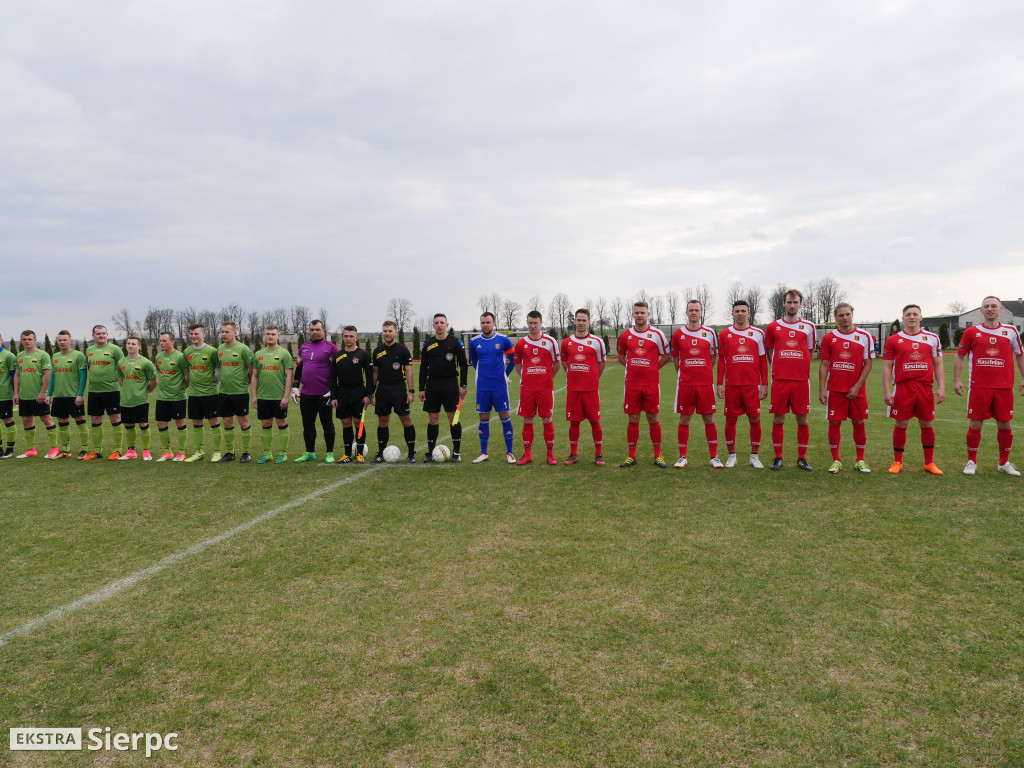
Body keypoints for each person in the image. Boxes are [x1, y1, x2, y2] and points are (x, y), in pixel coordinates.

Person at [953, 295, 1024, 476]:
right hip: (979, 386)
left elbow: (1019, 355)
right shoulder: (971, 332)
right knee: (976, 423)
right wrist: (957, 380)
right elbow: (960, 356)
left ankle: (1004, 463)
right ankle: (971, 461)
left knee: (1005, 424)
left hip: (1004, 386)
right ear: (981, 310)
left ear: (1000, 309)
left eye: (994, 306)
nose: (990, 309)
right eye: (986, 306)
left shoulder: (1011, 331)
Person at [882, 304, 945, 474]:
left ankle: (929, 463)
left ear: (921, 317)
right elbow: (887, 367)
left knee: (927, 423)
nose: (911, 317)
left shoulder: (932, 338)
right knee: (901, 423)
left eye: (915, 314)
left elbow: (938, 364)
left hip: (925, 388)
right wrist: (887, 391)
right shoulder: (893, 340)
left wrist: (942, 387)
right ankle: (897, 462)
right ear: (903, 318)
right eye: (908, 314)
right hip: (902, 387)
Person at [818, 303, 874, 473]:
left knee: (859, 422)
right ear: (835, 317)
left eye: (847, 314)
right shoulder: (829, 338)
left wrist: (857, 386)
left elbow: (868, 363)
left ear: (852, 314)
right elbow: (824, 365)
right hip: (835, 389)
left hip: (857, 390)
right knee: (834, 423)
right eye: (841, 315)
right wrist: (822, 389)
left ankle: (860, 460)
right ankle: (836, 460)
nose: (844, 318)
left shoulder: (865, 336)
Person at [764, 289, 815, 471]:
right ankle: (778, 457)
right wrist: (777, 368)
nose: (792, 305)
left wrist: (801, 367)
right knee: (778, 419)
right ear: (784, 304)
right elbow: (769, 350)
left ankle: (802, 458)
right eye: (789, 302)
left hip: (801, 380)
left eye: (795, 302)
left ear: (801, 304)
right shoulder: (772, 327)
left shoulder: (809, 326)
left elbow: (810, 351)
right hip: (780, 380)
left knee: (802, 419)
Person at [617, 301, 671, 468]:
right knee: (633, 418)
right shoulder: (626, 336)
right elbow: (620, 357)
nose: (639, 315)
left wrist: (653, 368)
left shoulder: (657, 334)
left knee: (653, 418)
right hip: (632, 384)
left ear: (648, 315)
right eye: (637, 313)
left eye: (642, 312)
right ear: (632, 315)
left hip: (651, 384)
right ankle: (631, 456)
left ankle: (658, 455)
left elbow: (666, 355)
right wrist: (633, 369)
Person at [670, 299, 722, 469]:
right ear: (686, 312)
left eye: (696, 310)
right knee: (685, 418)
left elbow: (713, 357)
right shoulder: (678, 334)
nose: (693, 313)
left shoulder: (709, 333)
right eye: (691, 310)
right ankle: (682, 456)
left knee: (708, 418)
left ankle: (714, 456)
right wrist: (685, 373)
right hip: (685, 384)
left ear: (701, 313)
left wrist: (704, 371)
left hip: (705, 384)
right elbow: (676, 359)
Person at [716, 301, 768, 468]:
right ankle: (731, 455)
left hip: (752, 386)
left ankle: (754, 456)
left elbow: (762, 360)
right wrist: (719, 383)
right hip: (732, 386)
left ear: (749, 313)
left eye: (743, 311)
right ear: (732, 314)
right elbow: (722, 360)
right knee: (730, 420)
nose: (740, 313)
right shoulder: (725, 334)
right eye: (737, 311)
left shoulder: (758, 333)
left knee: (755, 419)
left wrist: (764, 384)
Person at [418, 313, 468, 462]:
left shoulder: (455, 342)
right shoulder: (428, 344)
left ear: (447, 325)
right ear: (433, 326)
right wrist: (421, 388)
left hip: (450, 384)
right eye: (436, 323)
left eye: (442, 322)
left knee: (453, 418)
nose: (439, 325)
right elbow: (422, 368)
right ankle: (431, 452)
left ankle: (456, 453)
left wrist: (463, 385)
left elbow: (464, 365)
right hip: (432, 385)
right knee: (433, 419)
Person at [468, 312, 516, 463]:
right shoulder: (474, 341)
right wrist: (482, 375)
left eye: (488, 322)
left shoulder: (503, 340)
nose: (485, 325)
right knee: (483, 418)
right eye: (483, 323)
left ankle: (509, 452)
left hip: (500, 386)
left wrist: (505, 375)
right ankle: (484, 452)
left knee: (505, 417)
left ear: (494, 323)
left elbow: (513, 359)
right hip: (482, 386)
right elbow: (474, 361)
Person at [560, 308, 606, 465]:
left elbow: (601, 364)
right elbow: (564, 363)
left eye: (584, 320)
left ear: (589, 322)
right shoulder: (567, 342)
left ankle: (598, 454)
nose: (581, 323)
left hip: (591, 389)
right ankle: (573, 454)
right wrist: (574, 376)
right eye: (578, 320)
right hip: (573, 389)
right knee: (574, 422)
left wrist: (592, 378)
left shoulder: (597, 342)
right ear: (574, 321)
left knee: (595, 421)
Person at [513, 310, 560, 465]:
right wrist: (527, 378)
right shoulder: (520, 344)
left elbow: (557, 364)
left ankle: (550, 454)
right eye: (530, 323)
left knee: (547, 419)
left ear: (541, 323)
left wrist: (546, 378)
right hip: (527, 389)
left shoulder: (551, 341)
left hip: (545, 389)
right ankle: (527, 454)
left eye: (535, 323)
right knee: (528, 419)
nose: (532, 326)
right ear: (527, 323)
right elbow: (518, 366)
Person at [292, 319, 339, 463]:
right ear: (308, 331)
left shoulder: (331, 348)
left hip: (324, 394)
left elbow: (338, 369)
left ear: (323, 331)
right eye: (312, 330)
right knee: (307, 424)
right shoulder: (304, 347)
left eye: (318, 329)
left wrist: (333, 390)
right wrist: (295, 386)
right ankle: (309, 452)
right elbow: (300, 367)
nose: (315, 332)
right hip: (306, 394)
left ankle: (329, 453)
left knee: (327, 424)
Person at [370, 321, 416, 463]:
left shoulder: (402, 350)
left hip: (398, 388)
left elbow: (409, 372)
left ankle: (411, 454)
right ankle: (380, 453)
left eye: (390, 331)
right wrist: (371, 392)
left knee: (406, 420)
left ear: (395, 332)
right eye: (385, 331)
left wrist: (411, 391)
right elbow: (375, 373)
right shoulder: (377, 351)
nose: (387, 333)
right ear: (382, 332)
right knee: (382, 421)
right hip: (383, 389)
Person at [329, 325, 373, 463]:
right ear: (343, 337)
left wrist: (368, 395)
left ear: (356, 338)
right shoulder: (337, 355)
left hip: (358, 392)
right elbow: (332, 378)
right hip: (342, 392)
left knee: (358, 423)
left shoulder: (363, 355)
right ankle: (347, 454)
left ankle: (360, 454)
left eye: (351, 336)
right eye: (346, 336)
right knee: (345, 423)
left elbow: (370, 377)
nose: (348, 338)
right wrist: (334, 397)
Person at [250, 325, 293, 464]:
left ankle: (283, 453)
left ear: (278, 336)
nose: (270, 336)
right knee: (266, 423)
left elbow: (289, 376)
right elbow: (255, 376)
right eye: (268, 334)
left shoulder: (284, 353)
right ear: (264, 335)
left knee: (281, 422)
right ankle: (267, 453)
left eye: (273, 334)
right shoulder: (258, 354)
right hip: (263, 396)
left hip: (278, 397)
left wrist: (286, 396)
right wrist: (254, 395)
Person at [13, 330, 57, 458]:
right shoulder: (19, 355)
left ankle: (54, 448)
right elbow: (17, 374)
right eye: (24, 339)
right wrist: (16, 393)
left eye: (29, 339)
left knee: (46, 419)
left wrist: (43, 392)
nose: (27, 341)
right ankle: (31, 449)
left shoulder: (42, 355)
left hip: (38, 395)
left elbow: (48, 374)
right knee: (26, 421)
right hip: (24, 395)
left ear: (35, 340)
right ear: (21, 341)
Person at [82, 324, 124, 461]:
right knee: (95, 419)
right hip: (94, 391)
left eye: (104, 333)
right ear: (93, 335)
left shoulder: (115, 349)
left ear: (107, 334)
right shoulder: (89, 350)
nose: (101, 336)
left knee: (115, 418)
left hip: (111, 390)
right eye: (98, 334)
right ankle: (97, 451)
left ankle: (117, 450)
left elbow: (122, 367)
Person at [46, 330, 89, 458]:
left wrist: (80, 394)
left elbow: (83, 376)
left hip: (74, 396)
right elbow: (53, 376)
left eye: (65, 340)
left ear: (70, 341)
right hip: (59, 396)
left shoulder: (78, 356)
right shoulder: (55, 356)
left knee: (80, 422)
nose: (62, 342)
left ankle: (84, 449)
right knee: (62, 423)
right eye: (60, 340)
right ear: (57, 342)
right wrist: (49, 394)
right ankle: (65, 450)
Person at [183, 323, 222, 463]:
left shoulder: (212, 351)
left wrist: (215, 384)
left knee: (214, 422)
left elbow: (220, 370)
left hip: (210, 393)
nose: (193, 336)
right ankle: (199, 452)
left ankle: (217, 452)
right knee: (196, 422)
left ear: (203, 335)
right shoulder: (187, 352)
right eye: (191, 334)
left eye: (196, 334)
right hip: (194, 394)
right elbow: (187, 372)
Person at [217, 321, 254, 463]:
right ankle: (230, 452)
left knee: (243, 422)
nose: (224, 334)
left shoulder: (243, 349)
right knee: (227, 422)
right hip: (224, 392)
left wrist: (247, 384)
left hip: (240, 392)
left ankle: (246, 452)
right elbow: (220, 369)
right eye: (222, 332)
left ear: (235, 332)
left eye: (227, 331)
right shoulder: (220, 349)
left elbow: (251, 369)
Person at [116, 336, 158, 460]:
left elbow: (154, 382)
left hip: (141, 400)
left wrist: (144, 392)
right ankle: (131, 451)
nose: (130, 346)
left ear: (139, 346)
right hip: (126, 400)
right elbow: (120, 378)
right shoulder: (121, 362)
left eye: (133, 344)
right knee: (128, 425)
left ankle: (146, 451)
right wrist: (128, 390)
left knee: (143, 424)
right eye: (128, 343)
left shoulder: (146, 362)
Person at [154, 331, 190, 461]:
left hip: (178, 397)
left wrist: (180, 388)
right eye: (160, 341)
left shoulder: (180, 357)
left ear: (172, 342)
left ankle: (181, 452)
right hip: (162, 397)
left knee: (180, 423)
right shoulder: (158, 356)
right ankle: (167, 452)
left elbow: (188, 377)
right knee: (161, 423)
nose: (161, 343)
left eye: (164, 341)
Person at [0, 336, 18, 458]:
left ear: (1, 340)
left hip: (4, 395)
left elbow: (14, 376)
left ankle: (10, 448)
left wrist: (16, 393)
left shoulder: (8, 356)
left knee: (8, 420)